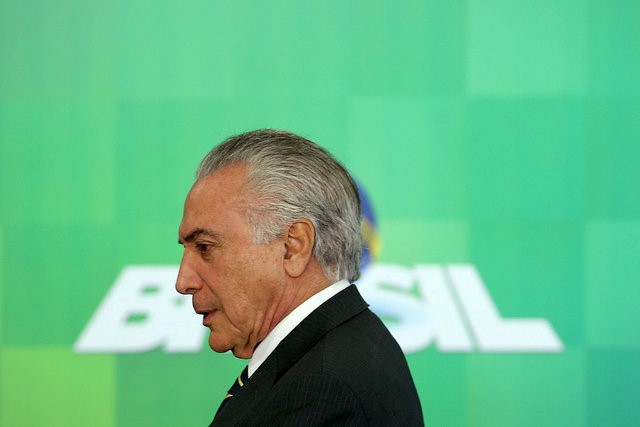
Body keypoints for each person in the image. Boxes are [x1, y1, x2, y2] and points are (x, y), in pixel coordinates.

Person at [176, 129, 424, 426]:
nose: (183, 282)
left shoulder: (320, 387)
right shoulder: (339, 349)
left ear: (293, 246)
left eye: (205, 247)